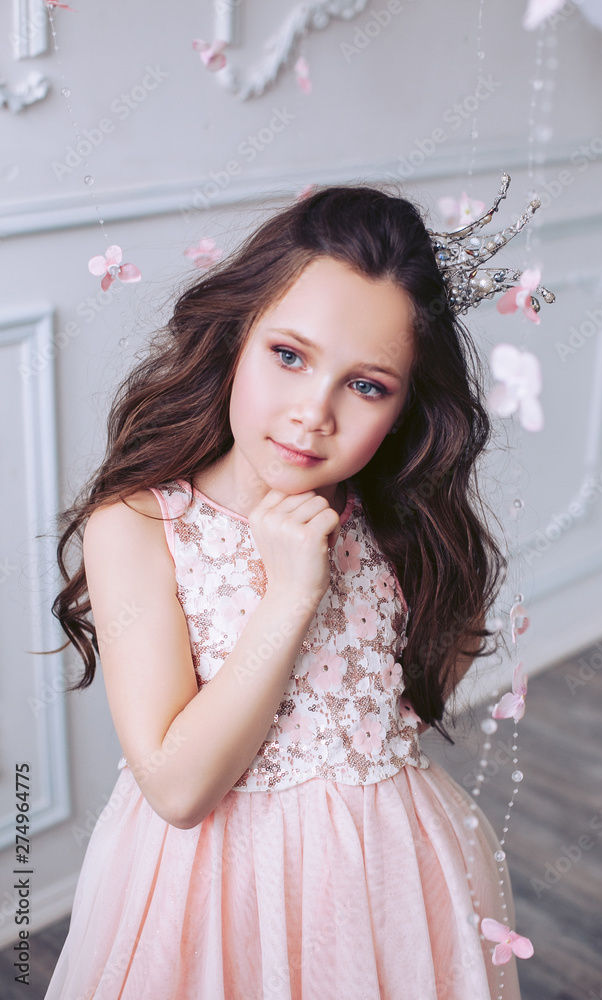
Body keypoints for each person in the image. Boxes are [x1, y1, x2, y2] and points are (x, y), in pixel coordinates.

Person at [44, 184, 525, 999]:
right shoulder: (138, 525)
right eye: (290, 356)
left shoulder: (397, 521)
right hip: (208, 889)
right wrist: (291, 594)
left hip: (393, 874)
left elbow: (426, 678)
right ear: (236, 336)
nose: (312, 414)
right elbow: (178, 787)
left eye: (366, 385)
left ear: (406, 406)